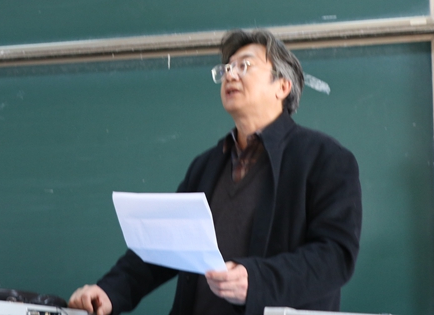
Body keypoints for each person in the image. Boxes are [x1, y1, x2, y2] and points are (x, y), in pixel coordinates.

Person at [69, 29, 362, 315]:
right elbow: (163, 245)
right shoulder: (206, 165)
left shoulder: (325, 158)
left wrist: (257, 280)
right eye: (226, 69)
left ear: (282, 87)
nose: (230, 75)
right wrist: (110, 291)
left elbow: (335, 256)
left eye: (244, 66)